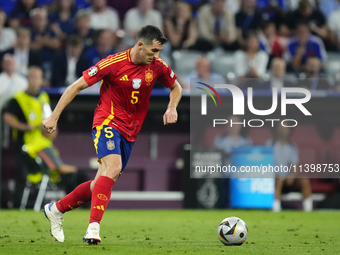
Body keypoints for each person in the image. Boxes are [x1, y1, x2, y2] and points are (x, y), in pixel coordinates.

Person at [42, 25, 182, 245]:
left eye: (159, 52)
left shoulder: (157, 66)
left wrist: (171, 107)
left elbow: (177, 88)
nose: (157, 56)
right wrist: (54, 116)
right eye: (154, 51)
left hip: (130, 132)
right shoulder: (113, 63)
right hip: (107, 122)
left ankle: (55, 209)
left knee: (102, 181)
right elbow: (76, 86)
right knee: (113, 167)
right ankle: (93, 228)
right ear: (140, 45)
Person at [3, 66, 87, 208]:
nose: (35, 80)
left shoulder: (43, 98)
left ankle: (67, 197)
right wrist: (24, 127)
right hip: (26, 145)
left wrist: (51, 129)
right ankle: (18, 204)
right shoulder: (18, 99)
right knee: (22, 176)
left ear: (42, 80)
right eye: (33, 76)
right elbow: (7, 117)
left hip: (43, 144)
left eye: (38, 77)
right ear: (27, 79)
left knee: (39, 175)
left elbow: (49, 120)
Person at [266, 124, 312, 212]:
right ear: (276, 129)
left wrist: (291, 176)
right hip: (274, 178)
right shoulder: (269, 144)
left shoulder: (291, 146)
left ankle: (308, 209)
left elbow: (294, 167)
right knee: (279, 179)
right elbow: (266, 165)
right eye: (280, 127)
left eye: (285, 127)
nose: (282, 130)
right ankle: (276, 208)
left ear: (289, 130)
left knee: (304, 180)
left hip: (288, 179)